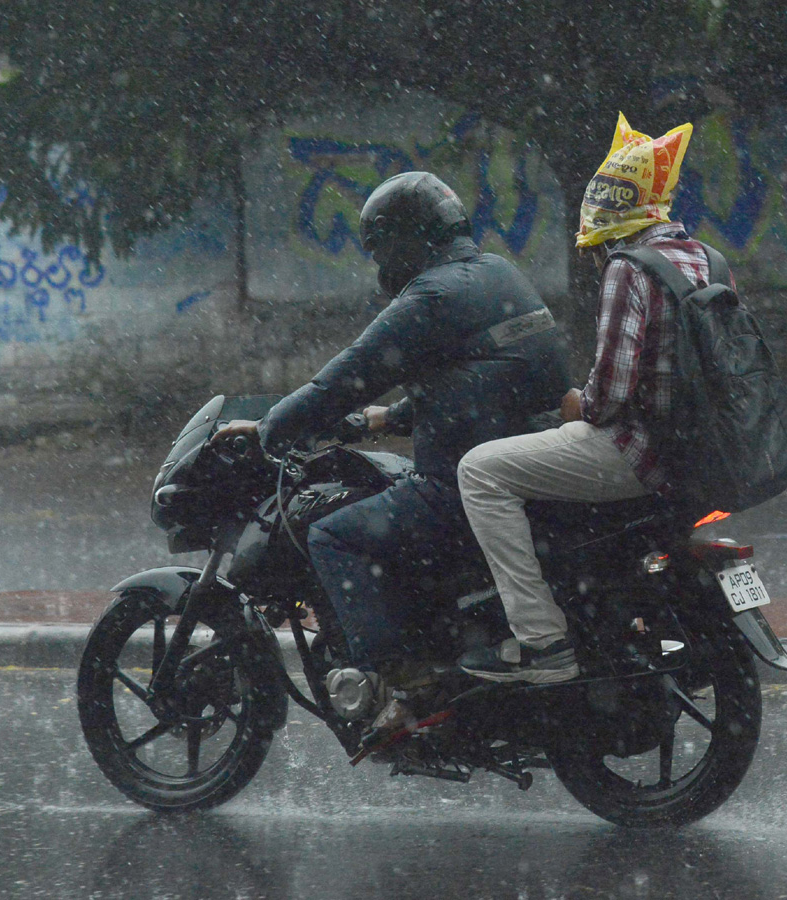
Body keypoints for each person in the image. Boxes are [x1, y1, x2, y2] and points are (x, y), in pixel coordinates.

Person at [215, 171, 570, 720]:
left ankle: (400, 682)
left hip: (464, 486)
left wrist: (267, 433)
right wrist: (379, 420)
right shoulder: (497, 274)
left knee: (331, 534)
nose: (380, 262)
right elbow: (485, 383)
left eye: (380, 245)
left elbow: (339, 382)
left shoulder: (431, 296)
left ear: (403, 239)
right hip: (529, 469)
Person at [456, 113, 720, 684]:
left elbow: (614, 393)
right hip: (694, 452)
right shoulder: (700, 258)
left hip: (636, 451)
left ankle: (541, 640)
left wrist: (578, 401)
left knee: (479, 470)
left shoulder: (631, 267)